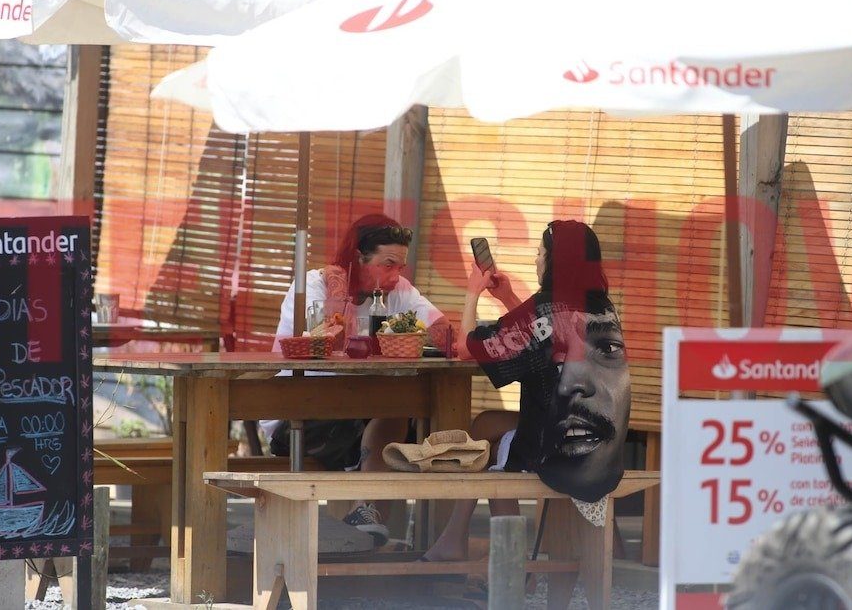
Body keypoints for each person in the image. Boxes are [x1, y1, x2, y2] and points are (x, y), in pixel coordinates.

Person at [423, 220, 630, 563]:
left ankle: (503, 559)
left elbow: (466, 348)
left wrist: (473, 291)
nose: (536, 261)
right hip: (605, 443)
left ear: (555, 262)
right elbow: (544, 332)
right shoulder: (604, 309)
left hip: (561, 448)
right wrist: (507, 297)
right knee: (487, 424)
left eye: (540, 253)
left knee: (490, 451)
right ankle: (458, 541)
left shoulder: (546, 307)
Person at [265, 213, 451, 546]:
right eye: (387, 264)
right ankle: (365, 521)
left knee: (404, 410)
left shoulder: (397, 290)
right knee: (389, 407)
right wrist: (341, 283)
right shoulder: (312, 286)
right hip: (301, 418)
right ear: (357, 257)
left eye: (400, 267)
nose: (395, 275)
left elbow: (447, 336)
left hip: (365, 413)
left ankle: (368, 519)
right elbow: (332, 339)